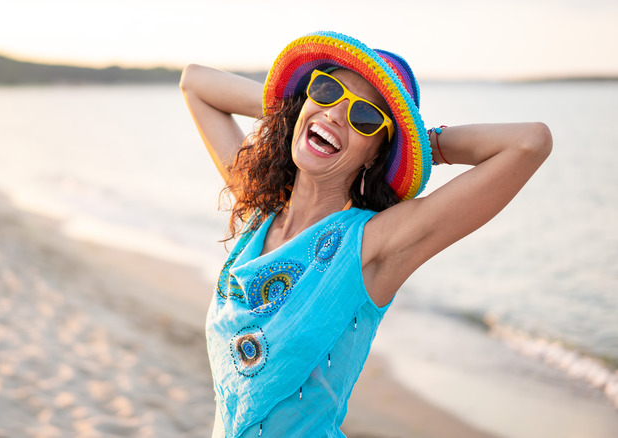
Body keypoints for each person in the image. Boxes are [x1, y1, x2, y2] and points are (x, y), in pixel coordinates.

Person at [179, 31, 551, 438]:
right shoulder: (259, 213)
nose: (337, 114)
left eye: (366, 117)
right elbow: (195, 82)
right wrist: (296, 106)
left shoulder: (372, 246)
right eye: (326, 89)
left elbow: (529, 142)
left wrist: (419, 145)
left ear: (377, 152)